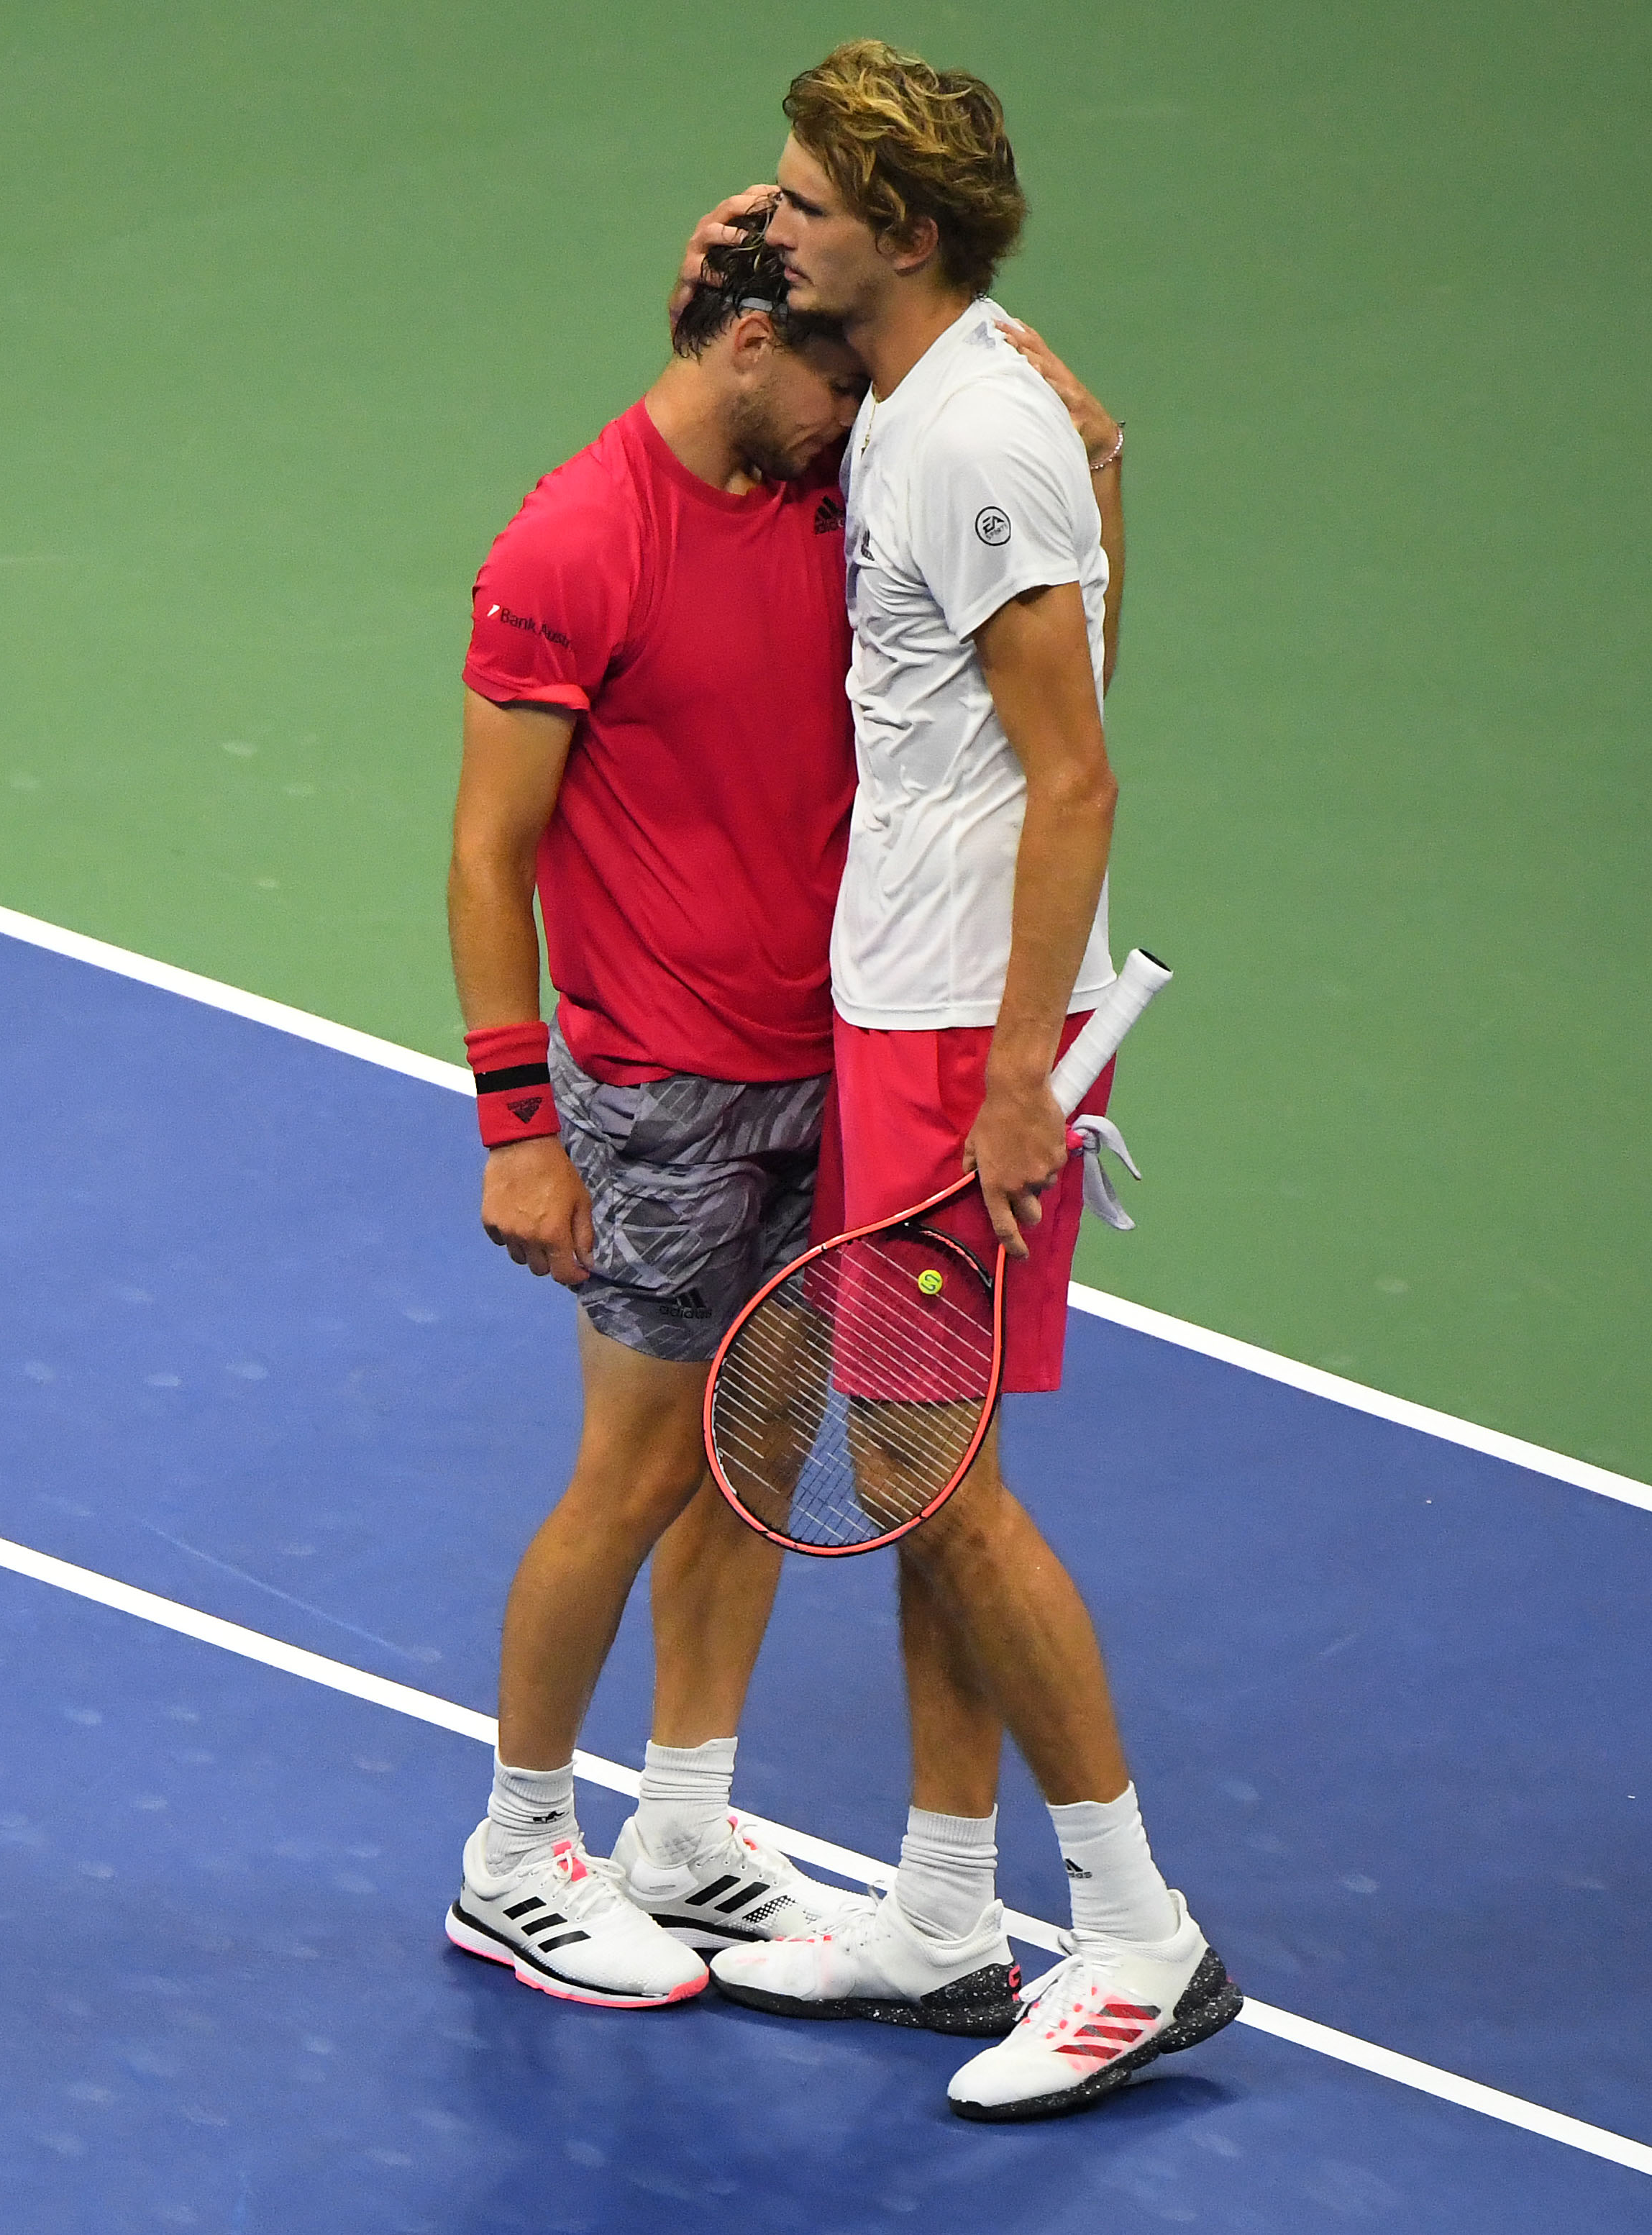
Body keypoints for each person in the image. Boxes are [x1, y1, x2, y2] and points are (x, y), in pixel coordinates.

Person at [705, 39, 1241, 2122]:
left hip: (955, 1033)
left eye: (808, 204)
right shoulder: (962, 406)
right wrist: (1101, 473)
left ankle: (1135, 1931)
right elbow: (1061, 623)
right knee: (922, 1477)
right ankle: (944, 1904)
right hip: (906, 1002)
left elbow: (1074, 770)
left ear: (902, 233)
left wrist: (1015, 1074)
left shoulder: (968, 441)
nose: (777, 226)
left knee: (957, 1492)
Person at [439, 211, 885, 2010]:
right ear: (755, 347)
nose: (865, 408)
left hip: (819, 1066)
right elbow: (488, 853)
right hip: (657, 1088)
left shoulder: (817, 493)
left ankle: (683, 1827)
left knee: (757, 1458)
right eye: (842, 373)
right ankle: (515, 1851)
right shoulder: (572, 543)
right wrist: (516, 1125)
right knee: (627, 1476)